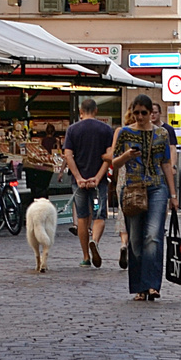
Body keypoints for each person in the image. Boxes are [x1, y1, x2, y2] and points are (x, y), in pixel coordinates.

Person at [110, 93, 177, 301]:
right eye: (136, 112)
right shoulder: (125, 133)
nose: (140, 116)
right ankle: (139, 286)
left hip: (157, 187)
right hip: (132, 188)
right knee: (136, 239)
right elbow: (114, 162)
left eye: (144, 113)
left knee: (153, 236)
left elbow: (166, 163)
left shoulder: (162, 134)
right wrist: (126, 156)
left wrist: (173, 194)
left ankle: (152, 285)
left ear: (151, 114)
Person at [63, 97, 112, 268]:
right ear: (96, 111)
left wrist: (78, 177)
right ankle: (95, 241)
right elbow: (109, 156)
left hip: (80, 183)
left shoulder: (72, 130)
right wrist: (98, 177)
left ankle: (85, 256)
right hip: (98, 184)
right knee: (99, 214)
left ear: (80, 111)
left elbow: (68, 155)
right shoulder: (106, 130)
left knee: (82, 217)